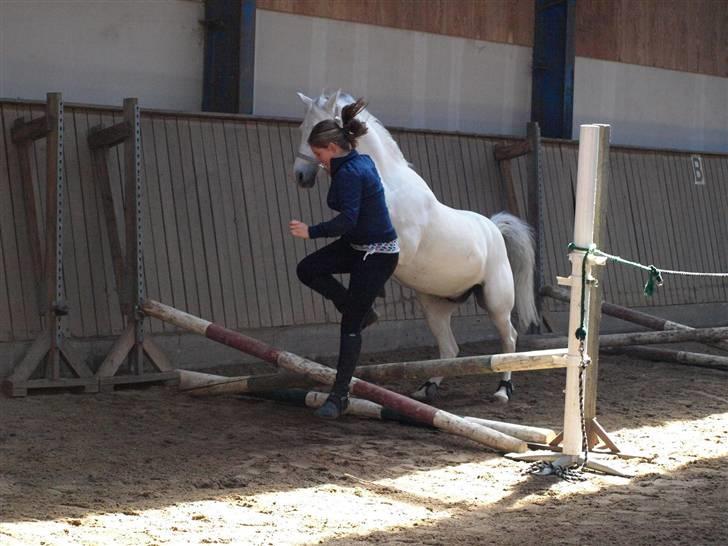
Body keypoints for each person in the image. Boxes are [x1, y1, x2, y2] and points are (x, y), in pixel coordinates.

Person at [289, 98, 399, 419]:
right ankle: (356, 307)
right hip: (355, 246)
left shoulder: (350, 172)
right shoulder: (354, 161)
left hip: (376, 255)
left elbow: (346, 220)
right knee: (308, 269)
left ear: (333, 149)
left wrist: (311, 232)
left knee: (349, 326)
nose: (318, 161)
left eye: (320, 155)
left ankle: (340, 395)